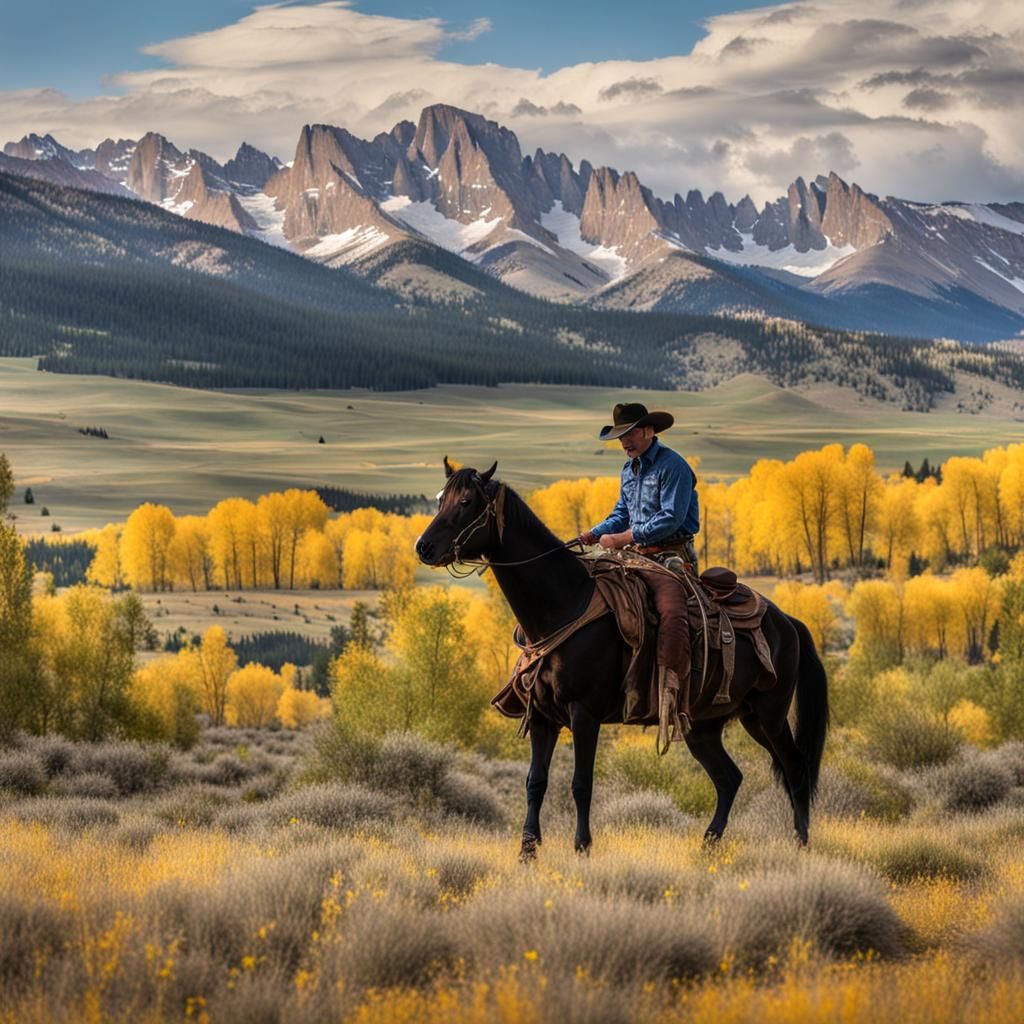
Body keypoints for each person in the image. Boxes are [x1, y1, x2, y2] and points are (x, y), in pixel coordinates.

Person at [580, 402, 699, 746]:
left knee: (672, 613)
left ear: (649, 431)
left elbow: (670, 519)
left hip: (670, 558)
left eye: (629, 434)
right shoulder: (628, 469)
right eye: (619, 437)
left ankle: (671, 693)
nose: (624, 442)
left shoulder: (673, 466)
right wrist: (590, 534)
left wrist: (622, 538)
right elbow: (621, 512)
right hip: (633, 557)